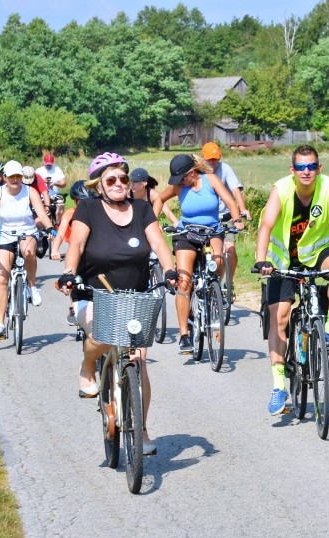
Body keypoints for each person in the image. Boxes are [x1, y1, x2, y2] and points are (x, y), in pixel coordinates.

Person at [56, 152, 178, 456]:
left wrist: (172, 269)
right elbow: (77, 245)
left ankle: (143, 429)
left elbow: (160, 243)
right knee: (101, 334)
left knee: (140, 361)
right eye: (111, 179)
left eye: (124, 178)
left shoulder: (142, 209)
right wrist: (70, 273)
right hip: (92, 293)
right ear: (99, 185)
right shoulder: (88, 208)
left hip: (134, 296)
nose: (119, 183)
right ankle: (88, 368)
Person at [254, 145, 329, 416]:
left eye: (312, 166)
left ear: (320, 168)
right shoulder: (281, 189)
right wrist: (262, 260)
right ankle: (279, 385)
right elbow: (266, 225)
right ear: (292, 170)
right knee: (279, 318)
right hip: (283, 260)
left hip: (318, 252)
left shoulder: (328, 187)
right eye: (301, 167)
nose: (307, 172)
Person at [152, 154, 244, 354]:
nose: (180, 182)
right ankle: (184, 334)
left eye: (182, 178)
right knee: (184, 280)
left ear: (192, 173)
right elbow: (159, 199)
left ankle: (213, 290)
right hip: (187, 233)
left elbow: (230, 202)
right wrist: (153, 224)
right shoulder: (178, 187)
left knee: (219, 261)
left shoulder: (210, 180)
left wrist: (237, 220)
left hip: (212, 230)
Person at [0, 160, 54, 339]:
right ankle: (0, 324)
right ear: (5, 178)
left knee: (28, 252)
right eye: (11, 176)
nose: (15, 180)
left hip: (26, 231)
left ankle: (32, 287)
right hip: (4, 234)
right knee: (1, 278)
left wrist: (50, 228)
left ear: (22, 177)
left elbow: (41, 213)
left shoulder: (30, 191)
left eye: (18, 176)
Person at [202, 142, 251, 296]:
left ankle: (228, 285)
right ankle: (212, 280)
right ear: (203, 159)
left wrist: (242, 209)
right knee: (211, 255)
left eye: (215, 159)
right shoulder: (198, 173)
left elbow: (235, 190)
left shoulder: (225, 169)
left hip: (226, 217)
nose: (212, 163)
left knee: (230, 250)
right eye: (209, 159)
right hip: (207, 219)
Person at [50, 180, 92, 325]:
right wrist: (55, 249)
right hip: (75, 250)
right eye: (81, 201)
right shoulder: (70, 213)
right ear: (75, 201)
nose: (85, 204)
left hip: (93, 251)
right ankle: (73, 305)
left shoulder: (98, 212)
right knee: (71, 276)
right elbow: (60, 234)